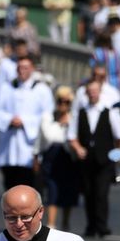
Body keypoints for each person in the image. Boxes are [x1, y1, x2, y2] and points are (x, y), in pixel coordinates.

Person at [68, 80, 120, 238]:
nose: (93, 94)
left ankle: (102, 225)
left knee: (101, 193)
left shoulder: (108, 111)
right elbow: (72, 136)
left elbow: (119, 136)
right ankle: (91, 225)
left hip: (104, 160)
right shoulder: (80, 112)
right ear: (86, 93)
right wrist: (78, 148)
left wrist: (119, 154)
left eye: (96, 91)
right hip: (86, 161)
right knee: (88, 193)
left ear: (100, 92)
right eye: (90, 91)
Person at [0, 57, 53, 190]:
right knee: (10, 185)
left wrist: (25, 121)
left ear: (32, 69)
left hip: (29, 147)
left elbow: (47, 115)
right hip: (9, 148)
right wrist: (9, 120)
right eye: (19, 68)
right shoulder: (7, 88)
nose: (21, 71)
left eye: (25, 68)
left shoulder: (41, 90)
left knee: (30, 186)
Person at [36, 87, 79, 230]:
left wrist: (69, 123)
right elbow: (48, 136)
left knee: (68, 191)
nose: (64, 105)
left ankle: (66, 223)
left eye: (67, 102)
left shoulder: (74, 118)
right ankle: (52, 223)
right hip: (51, 159)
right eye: (61, 101)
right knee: (52, 190)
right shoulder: (48, 117)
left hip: (68, 159)